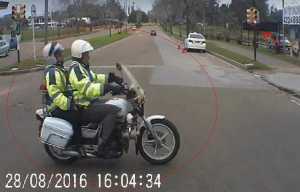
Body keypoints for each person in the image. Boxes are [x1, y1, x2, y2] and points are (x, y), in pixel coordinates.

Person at [68, 39, 123, 157]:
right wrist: (108, 87)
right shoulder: (76, 70)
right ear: (80, 55)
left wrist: (110, 78)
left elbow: (95, 77)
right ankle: (102, 146)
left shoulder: (82, 67)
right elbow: (88, 89)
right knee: (113, 111)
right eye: (86, 53)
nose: (89, 56)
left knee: (113, 103)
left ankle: (108, 135)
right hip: (82, 107)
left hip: (89, 103)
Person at [43, 42, 81, 153]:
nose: (62, 56)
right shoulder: (52, 72)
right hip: (56, 107)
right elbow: (56, 94)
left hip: (62, 103)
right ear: (52, 58)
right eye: (59, 55)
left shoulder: (60, 69)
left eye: (61, 54)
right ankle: (75, 144)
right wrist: (70, 105)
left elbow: (68, 87)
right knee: (77, 116)